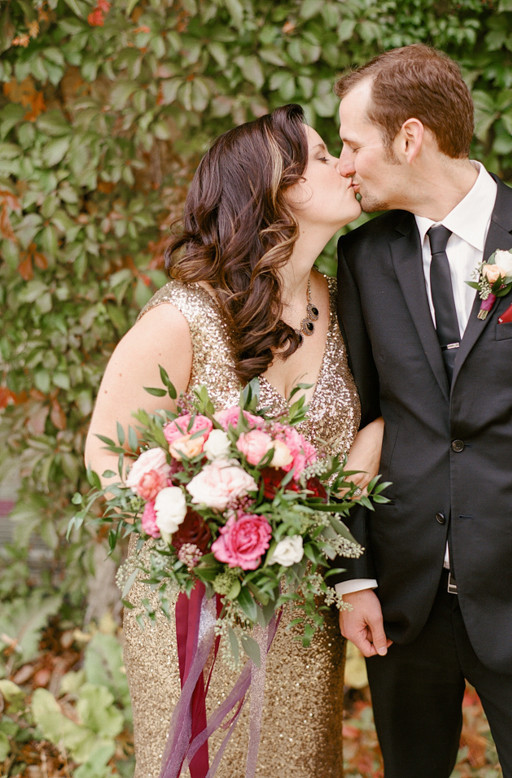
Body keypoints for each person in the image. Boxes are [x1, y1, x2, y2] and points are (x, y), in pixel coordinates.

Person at [85, 104, 383, 778]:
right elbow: (105, 452)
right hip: (196, 609)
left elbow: (398, 403)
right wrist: (191, 523)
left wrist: (372, 447)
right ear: (276, 189)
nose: (344, 164)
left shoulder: (349, 302)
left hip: (304, 608)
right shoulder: (185, 317)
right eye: (322, 155)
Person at [333, 44, 512, 778]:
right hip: (403, 609)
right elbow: (357, 422)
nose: (342, 164)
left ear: (409, 138)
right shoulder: (363, 257)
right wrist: (354, 576)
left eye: (352, 144)